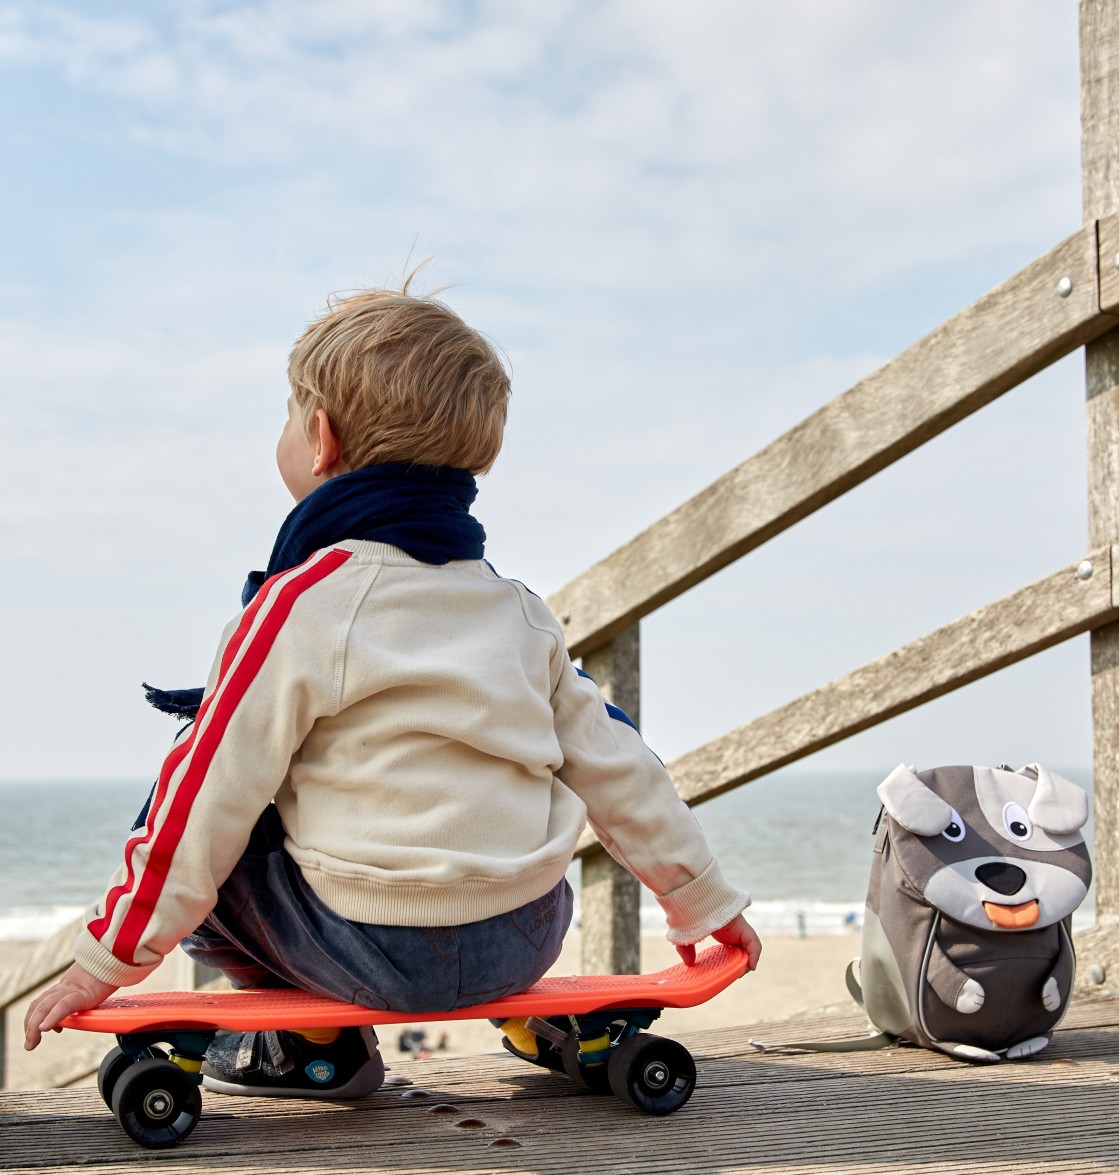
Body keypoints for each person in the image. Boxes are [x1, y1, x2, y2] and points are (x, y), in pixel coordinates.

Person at [23, 283, 761, 1098]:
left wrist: (107, 959)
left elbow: (206, 795)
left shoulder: (304, 605)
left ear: (319, 438)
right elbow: (619, 765)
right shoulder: (520, 613)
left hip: (366, 949)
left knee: (222, 817)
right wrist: (703, 902)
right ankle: (523, 1015)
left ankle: (312, 1041)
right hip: (524, 935)